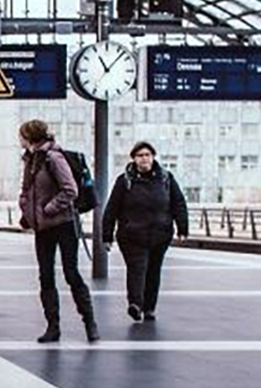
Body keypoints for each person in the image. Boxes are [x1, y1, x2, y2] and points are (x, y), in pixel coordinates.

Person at [17, 119, 97, 343]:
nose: (19, 139)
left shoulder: (53, 157)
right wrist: (26, 208)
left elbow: (70, 190)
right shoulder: (31, 159)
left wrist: (48, 209)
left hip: (63, 224)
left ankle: (89, 322)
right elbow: (27, 190)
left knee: (71, 273)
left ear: (29, 137)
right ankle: (53, 327)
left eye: (21, 135)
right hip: (42, 227)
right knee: (45, 276)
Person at [101, 140, 190, 322]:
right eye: (140, 155)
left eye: (147, 155)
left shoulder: (166, 178)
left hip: (160, 235)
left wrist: (183, 228)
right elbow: (112, 209)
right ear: (133, 159)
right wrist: (107, 236)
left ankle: (149, 308)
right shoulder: (124, 181)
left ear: (153, 157)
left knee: (153, 271)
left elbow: (178, 203)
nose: (144, 159)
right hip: (132, 235)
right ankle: (135, 304)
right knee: (137, 269)